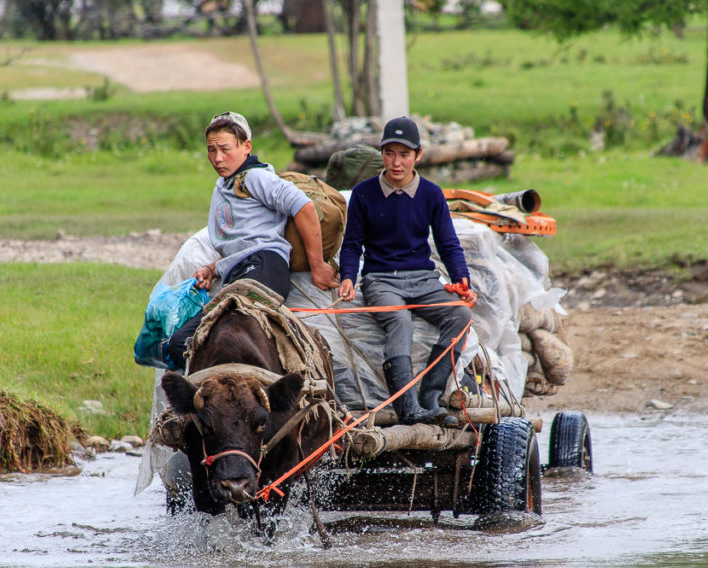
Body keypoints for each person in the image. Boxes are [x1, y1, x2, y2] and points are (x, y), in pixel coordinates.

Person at [165, 111, 338, 370]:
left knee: (230, 335)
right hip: (240, 272)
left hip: (264, 266)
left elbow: (303, 206)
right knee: (180, 344)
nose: (217, 158)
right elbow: (239, 240)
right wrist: (213, 269)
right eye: (211, 150)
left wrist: (317, 266)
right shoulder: (223, 185)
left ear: (246, 147)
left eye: (225, 149)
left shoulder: (256, 177)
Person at [337, 116, 477, 425]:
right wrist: (348, 277)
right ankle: (408, 408)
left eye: (404, 154)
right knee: (400, 320)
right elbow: (351, 245)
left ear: (418, 156)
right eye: (389, 153)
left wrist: (461, 280)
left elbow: (448, 243)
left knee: (461, 316)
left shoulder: (431, 194)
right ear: (381, 153)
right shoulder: (363, 194)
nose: (396, 162)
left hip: (423, 279)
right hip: (380, 280)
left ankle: (430, 397)